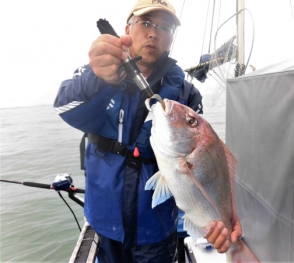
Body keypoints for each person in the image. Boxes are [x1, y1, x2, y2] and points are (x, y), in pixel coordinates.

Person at [54, 0, 240, 262]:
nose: (154, 33)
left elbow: (210, 164)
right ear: (127, 29)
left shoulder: (186, 95)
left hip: (156, 231)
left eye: (165, 27)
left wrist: (227, 215)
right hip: (105, 224)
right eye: (146, 23)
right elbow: (64, 107)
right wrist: (98, 80)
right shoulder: (97, 74)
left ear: (171, 40)